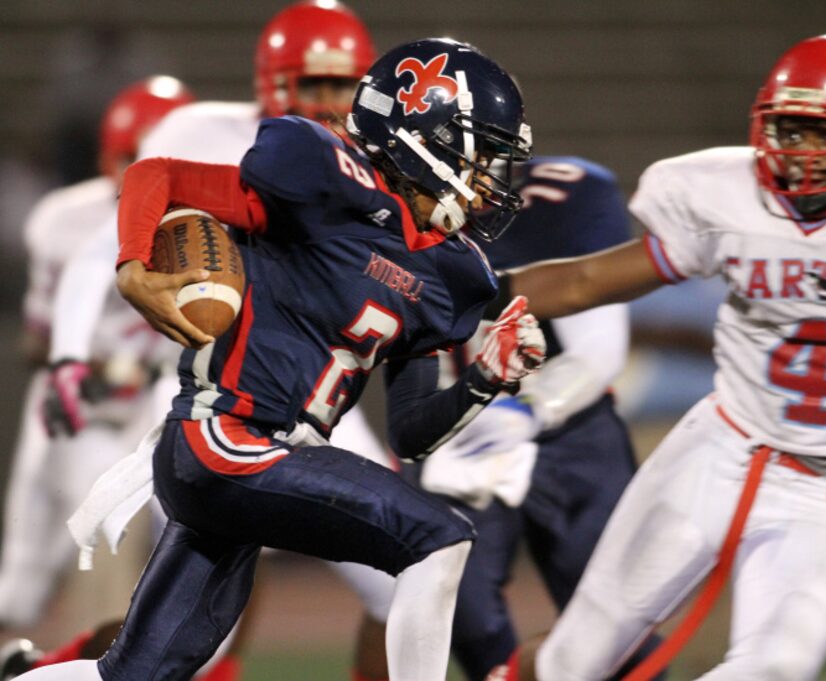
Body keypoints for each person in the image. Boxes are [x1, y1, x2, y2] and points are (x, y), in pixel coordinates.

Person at [15, 37, 544, 681]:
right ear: (424, 133)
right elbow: (158, 176)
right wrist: (132, 267)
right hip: (225, 438)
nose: (493, 174)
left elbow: (411, 429)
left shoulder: (453, 273)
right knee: (441, 537)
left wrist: (487, 376)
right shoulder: (320, 174)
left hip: (263, 459)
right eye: (482, 151)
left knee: (133, 674)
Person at [32, 4, 396, 680]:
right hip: (213, 390)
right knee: (184, 628)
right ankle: (47, 666)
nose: (331, 101)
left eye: (345, 84)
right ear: (276, 79)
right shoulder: (205, 132)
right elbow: (97, 249)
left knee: (400, 582)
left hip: (314, 399)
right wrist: (67, 356)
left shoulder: (373, 161)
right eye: (315, 83)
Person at [485, 33, 826, 681]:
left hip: (821, 489)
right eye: (789, 130)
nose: (798, 153)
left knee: (779, 666)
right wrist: (469, 294)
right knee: (575, 657)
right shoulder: (729, 197)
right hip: (720, 449)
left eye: (819, 135)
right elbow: (590, 280)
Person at [411, 155, 664, 681]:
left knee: (620, 627)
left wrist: (526, 408)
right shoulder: (375, 206)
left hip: (573, 432)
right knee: (465, 622)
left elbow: (599, 346)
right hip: (455, 430)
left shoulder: (569, 195)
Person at [0, 74, 194, 663]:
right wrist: (98, 367)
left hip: (160, 401)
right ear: (114, 157)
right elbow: (36, 342)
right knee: (23, 584)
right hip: (80, 407)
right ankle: (49, 665)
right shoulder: (65, 220)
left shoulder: (208, 228)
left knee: (225, 528)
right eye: (140, 159)